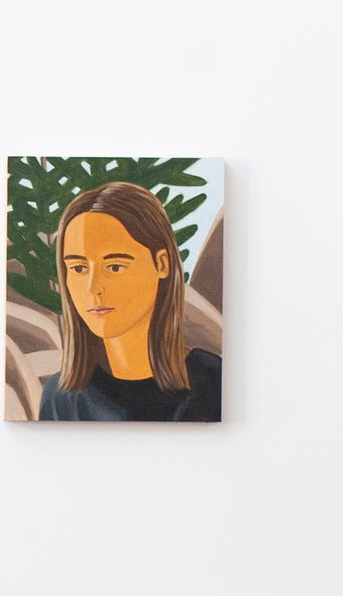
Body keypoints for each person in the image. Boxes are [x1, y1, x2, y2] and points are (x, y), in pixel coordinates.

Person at [37, 181, 220, 422]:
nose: (93, 288)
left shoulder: (214, 382)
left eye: (114, 266)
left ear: (162, 264)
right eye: (79, 268)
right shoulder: (61, 397)